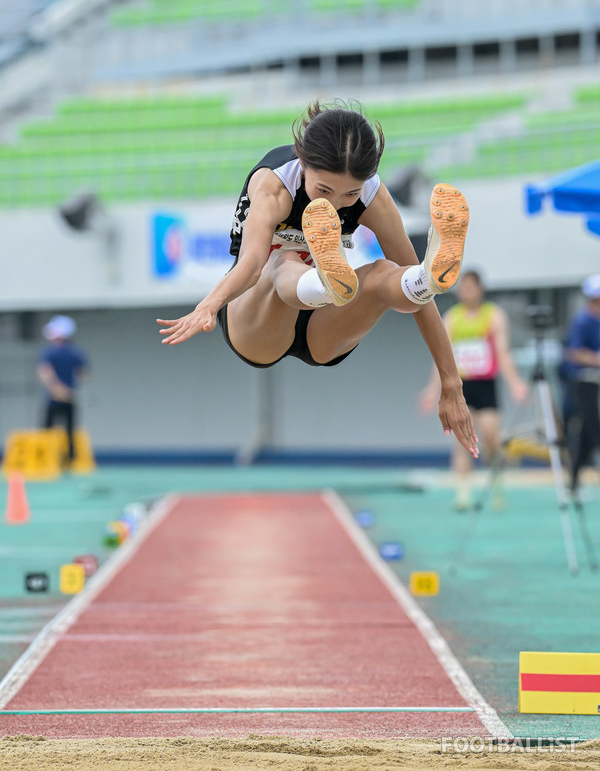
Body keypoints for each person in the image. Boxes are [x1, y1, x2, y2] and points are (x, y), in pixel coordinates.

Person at [157, 101, 479, 459]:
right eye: (324, 190)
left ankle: (426, 277)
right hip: (257, 325)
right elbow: (249, 265)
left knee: (384, 275)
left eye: (351, 194)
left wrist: (452, 383)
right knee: (280, 260)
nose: (340, 204)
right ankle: (325, 281)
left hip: (325, 332)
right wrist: (209, 304)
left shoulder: (374, 197)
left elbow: (421, 306)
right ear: (303, 162)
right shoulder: (274, 185)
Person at [420, 270, 528, 509]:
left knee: (491, 437)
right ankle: (463, 493)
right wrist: (431, 390)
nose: (467, 291)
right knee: (461, 440)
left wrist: (515, 383)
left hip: (486, 385)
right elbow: (441, 358)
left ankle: (497, 484)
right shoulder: (451, 317)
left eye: (471, 287)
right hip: (461, 385)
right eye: (463, 287)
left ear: (480, 289)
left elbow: (503, 353)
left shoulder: (494, 316)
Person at [562, 274, 600, 493]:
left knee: (589, 431)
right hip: (585, 383)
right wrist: (596, 359)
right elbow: (573, 352)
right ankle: (575, 478)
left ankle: (575, 479)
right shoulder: (582, 321)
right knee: (590, 429)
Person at [37, 315, 88, 465]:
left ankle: (46, 460)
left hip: (53, 397)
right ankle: (70, 461)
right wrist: (69, 389)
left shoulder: (50, 352)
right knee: (70, 431)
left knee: (47, 430)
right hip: (70, 396)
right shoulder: (76, 352)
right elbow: (83, 373)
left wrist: (56, 388)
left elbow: (44, 372)